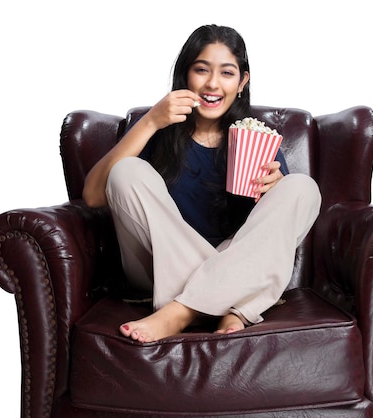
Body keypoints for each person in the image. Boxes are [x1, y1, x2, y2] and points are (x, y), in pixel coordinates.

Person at [82, 24, 321, 343]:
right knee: (126, 170)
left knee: (302, 188)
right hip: (157, 268)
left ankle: (179, 312)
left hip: (233, 258)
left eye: (227, 73)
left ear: (242, 82)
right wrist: (151, 120)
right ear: (185, 76)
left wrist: (276, 191)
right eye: (201, 70)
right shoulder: (157, 131)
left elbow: (273, 233)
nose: (212, 83)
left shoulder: (258, 141)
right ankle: (231, 304)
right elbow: (94, 195)